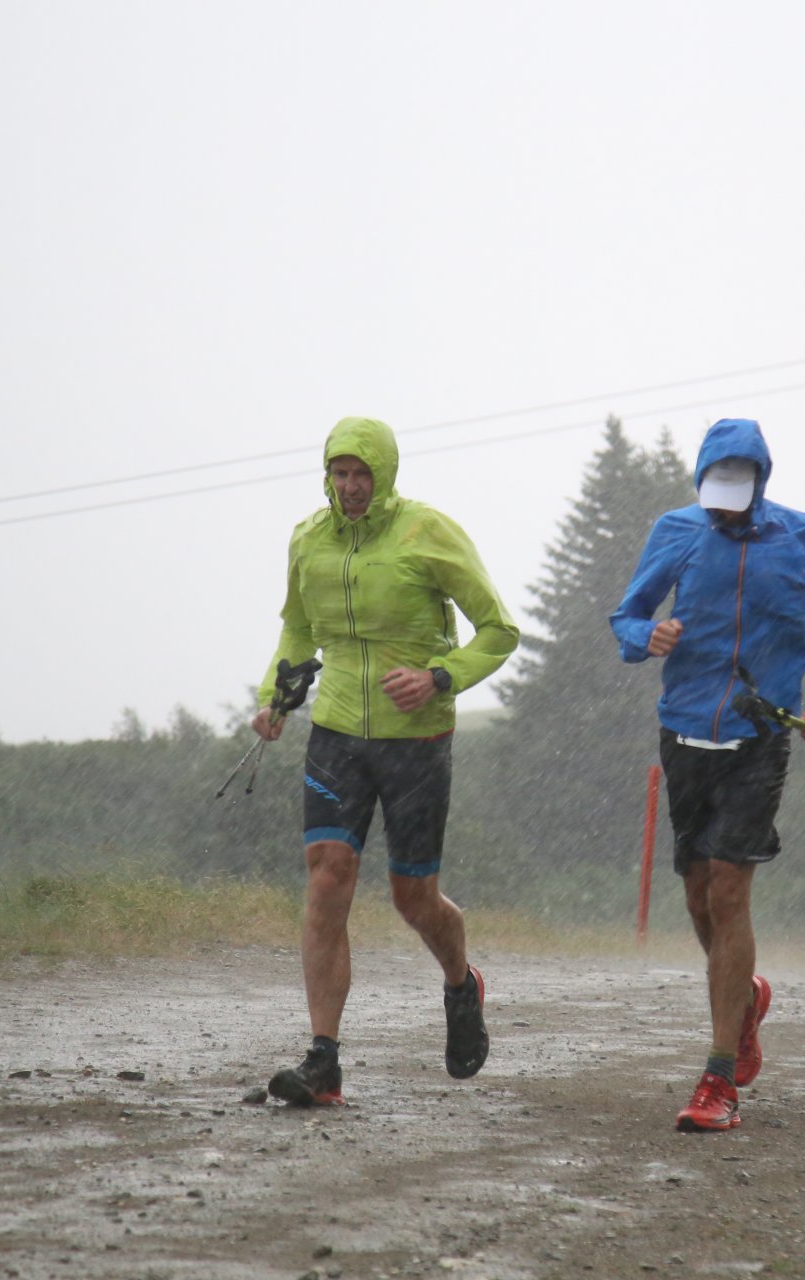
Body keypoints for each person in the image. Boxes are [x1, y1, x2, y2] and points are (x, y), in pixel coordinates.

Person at [250, 415, 519, 1106]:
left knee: (412, 897)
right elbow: (297, 628)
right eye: (339, 474)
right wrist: (275, 697)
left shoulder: (427, 532)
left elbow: (499, 630)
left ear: (385, 474)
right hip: (336, 730)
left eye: (362, 474)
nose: (350, 486)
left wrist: (439, 676)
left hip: (416, 738)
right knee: (327, 878)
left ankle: (461, 983)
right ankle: (323, 1061)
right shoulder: (309, 538)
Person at [609, 417, 805, 1132]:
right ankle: (745, 1000)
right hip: (684, 733)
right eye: (713, 495)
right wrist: (647, 636)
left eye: (735, 494)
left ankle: (718, 1078)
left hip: (760, 737)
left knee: (728, 891)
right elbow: (626, 617)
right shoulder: (676, 531)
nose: (722, 509)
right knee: (698, 896)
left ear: (760, 484)